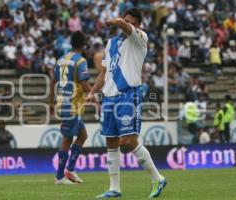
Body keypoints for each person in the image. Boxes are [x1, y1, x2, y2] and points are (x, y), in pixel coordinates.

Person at [86, 8, 166, 198]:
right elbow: (104, 73)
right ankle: (115, 188)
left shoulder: (140, 38)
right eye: (125, 20)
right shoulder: (111, 43)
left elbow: (122, 24)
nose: (126, 23)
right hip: (108, 97)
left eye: (130, 21)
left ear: (137, 24)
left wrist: (115, 20)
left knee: (129, 141)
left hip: (128, 95)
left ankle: (158, 178)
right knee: (111, 141)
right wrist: (92, 92)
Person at [49, 31, 91, 185]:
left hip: (64, 103)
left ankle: (70, 170)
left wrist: (50, 103)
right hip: (71, 105)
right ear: (84, 44)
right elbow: (84, 83)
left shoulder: (61, 59)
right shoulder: (80, 61)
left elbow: (52, 81)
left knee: (83, 135)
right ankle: (59, 177)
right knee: (67, 139)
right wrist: (95, 95)